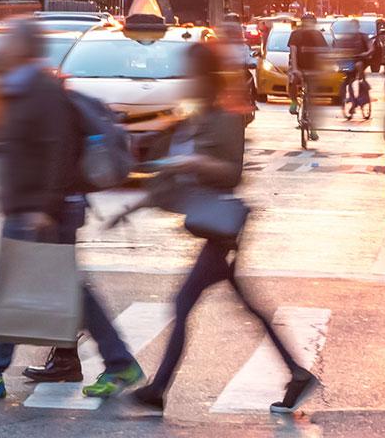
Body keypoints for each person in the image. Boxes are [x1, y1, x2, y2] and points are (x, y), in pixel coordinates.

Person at [0, 17, 141, 399]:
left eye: (12, 42)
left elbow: (57, 153)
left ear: (25, 48)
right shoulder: (26, 87)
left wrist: (44, 208)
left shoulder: (42, 91)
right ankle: (116, 363)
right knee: (40, 289)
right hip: (33, 208)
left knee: (28, 288)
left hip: (43, 211)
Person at [129, 43, 319, 415]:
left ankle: (158, 390)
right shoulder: (198, 115)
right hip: (214, 229)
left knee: (185, 303)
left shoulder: (227, 116)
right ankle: (296, 372)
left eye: (191, 73)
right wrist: (135, 203)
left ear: (204, 76)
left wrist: (195, 160)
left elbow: (230, 172)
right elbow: (171, 173)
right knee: (244, 305)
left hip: (222, 229)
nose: (185, 81)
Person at [288, 13, 329, 141]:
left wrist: (323, 70)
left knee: (313, 99)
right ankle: (294, 101)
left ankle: (313, 129)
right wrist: (295, 69)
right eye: (306, 22)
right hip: (299, 66)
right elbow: (293, 52)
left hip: (313, 68)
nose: (308, 25)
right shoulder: (296, 35)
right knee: (292, 79)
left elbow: (323, 54)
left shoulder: (318, 36)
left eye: (311, 22)